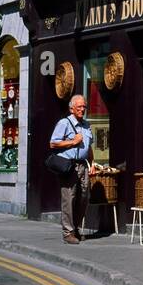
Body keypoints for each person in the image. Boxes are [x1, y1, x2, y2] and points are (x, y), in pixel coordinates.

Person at [49, 94, 94, 244]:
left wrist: (92, 163)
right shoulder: (64, 123)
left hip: (83, 165)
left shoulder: (87, 125)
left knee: (84, 197)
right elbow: (53, 143)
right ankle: (68, 232)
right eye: (79, 107)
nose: (82, 109)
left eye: (84, 106)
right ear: (72, 108)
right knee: (69, 198)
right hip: (69, 165)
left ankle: (75, 228)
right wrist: (72, 141)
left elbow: (89, 147)